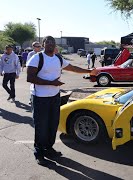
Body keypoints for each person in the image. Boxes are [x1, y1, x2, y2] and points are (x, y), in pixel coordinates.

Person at [26, 36, 92, 166]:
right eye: (47, 42)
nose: (50, 44)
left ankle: (48, 149)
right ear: (43, 44)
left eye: (52, 42)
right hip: (40, 98)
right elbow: (30, 77)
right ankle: (39, 153)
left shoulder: (58, 58)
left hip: (55, 97)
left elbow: (72, 68)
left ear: (55, 45)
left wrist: (88, 71)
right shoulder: (37, 58)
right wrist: (51, 83)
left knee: (52, 125)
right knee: (41, 126)